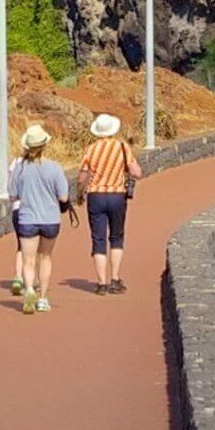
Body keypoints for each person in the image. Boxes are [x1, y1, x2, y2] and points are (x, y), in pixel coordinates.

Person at [5, 124, 73, 314]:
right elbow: (64, 197)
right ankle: (42, 298)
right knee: (45, 258)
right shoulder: (55, 168)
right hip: (50, 219)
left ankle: (28, 290)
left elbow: (12, 195)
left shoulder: (20, 168)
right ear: (45, 145)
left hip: (27, 219)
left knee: (28, 260)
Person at [77, 112, 143, 295]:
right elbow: (136, 172)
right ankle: (114, 278)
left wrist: (79, 192)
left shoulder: (91, 149)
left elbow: (83, 175)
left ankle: (102, 283)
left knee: (98, 238)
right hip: (117, 195)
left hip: (96, 195)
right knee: (116, 236)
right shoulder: (122, 147)